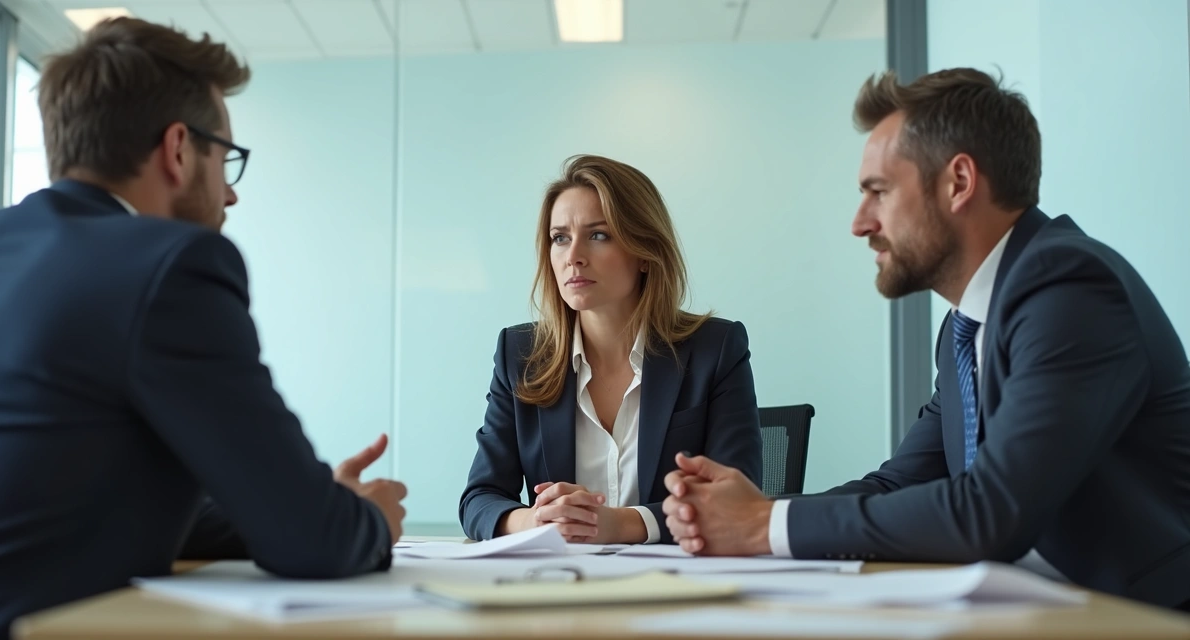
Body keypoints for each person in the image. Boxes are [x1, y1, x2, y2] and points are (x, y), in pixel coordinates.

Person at [662, 68, 1190, 611]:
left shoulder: (1070, 288)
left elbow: (990, 513)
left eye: (879, 192)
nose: (859, 223)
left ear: (958, 182)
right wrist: (750, 511)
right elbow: (900, 484)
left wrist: (763, 524)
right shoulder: (965, 328)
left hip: (1139, 618)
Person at [0, 18, 406, 640]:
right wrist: (362, 518)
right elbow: (315, 543)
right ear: (179, 149)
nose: (229, 195)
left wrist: (304, 503)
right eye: (224, 158)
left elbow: (82, 497)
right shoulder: (168, 265)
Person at [460, 154, 763, 544]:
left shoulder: (715, 350)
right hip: (558, 588)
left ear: (645, 252)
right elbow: (479, 499)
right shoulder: (520, 355)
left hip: (677, 587)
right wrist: (537, 521)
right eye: (560, 238)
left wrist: (620, 524)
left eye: (598, 235)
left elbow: (736, 501)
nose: (573, 257)